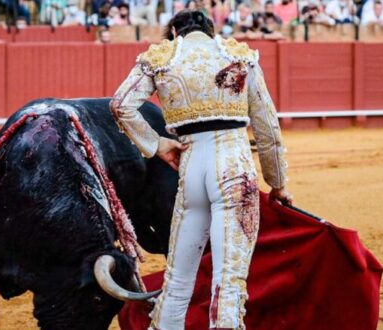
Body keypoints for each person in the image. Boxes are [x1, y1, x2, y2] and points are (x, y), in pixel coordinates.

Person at [110, 9, 292, 330]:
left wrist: (158, 144)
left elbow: (120, 104)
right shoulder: (239, 55)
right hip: (234, 169)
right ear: (211, 30)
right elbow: (268, 129)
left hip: (191, 170)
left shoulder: (163, 56)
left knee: (178, 278)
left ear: (175, 33)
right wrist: (277, 184)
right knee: (229, 278)